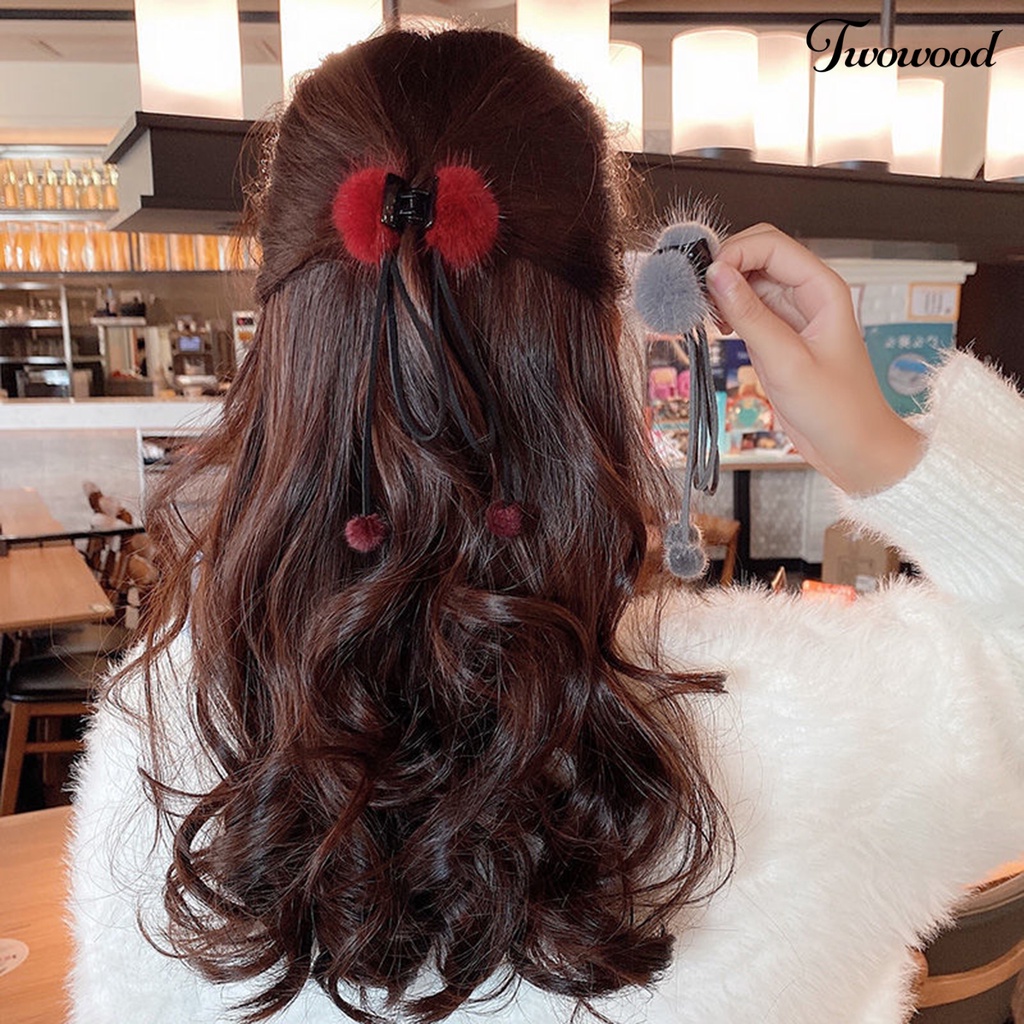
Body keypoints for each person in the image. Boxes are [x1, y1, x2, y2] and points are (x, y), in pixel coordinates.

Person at [68, 26, 1024, 1024]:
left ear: (282, 345)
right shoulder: (804, 724)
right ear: (605, 338)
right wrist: (875, 443)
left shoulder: (172, 746)